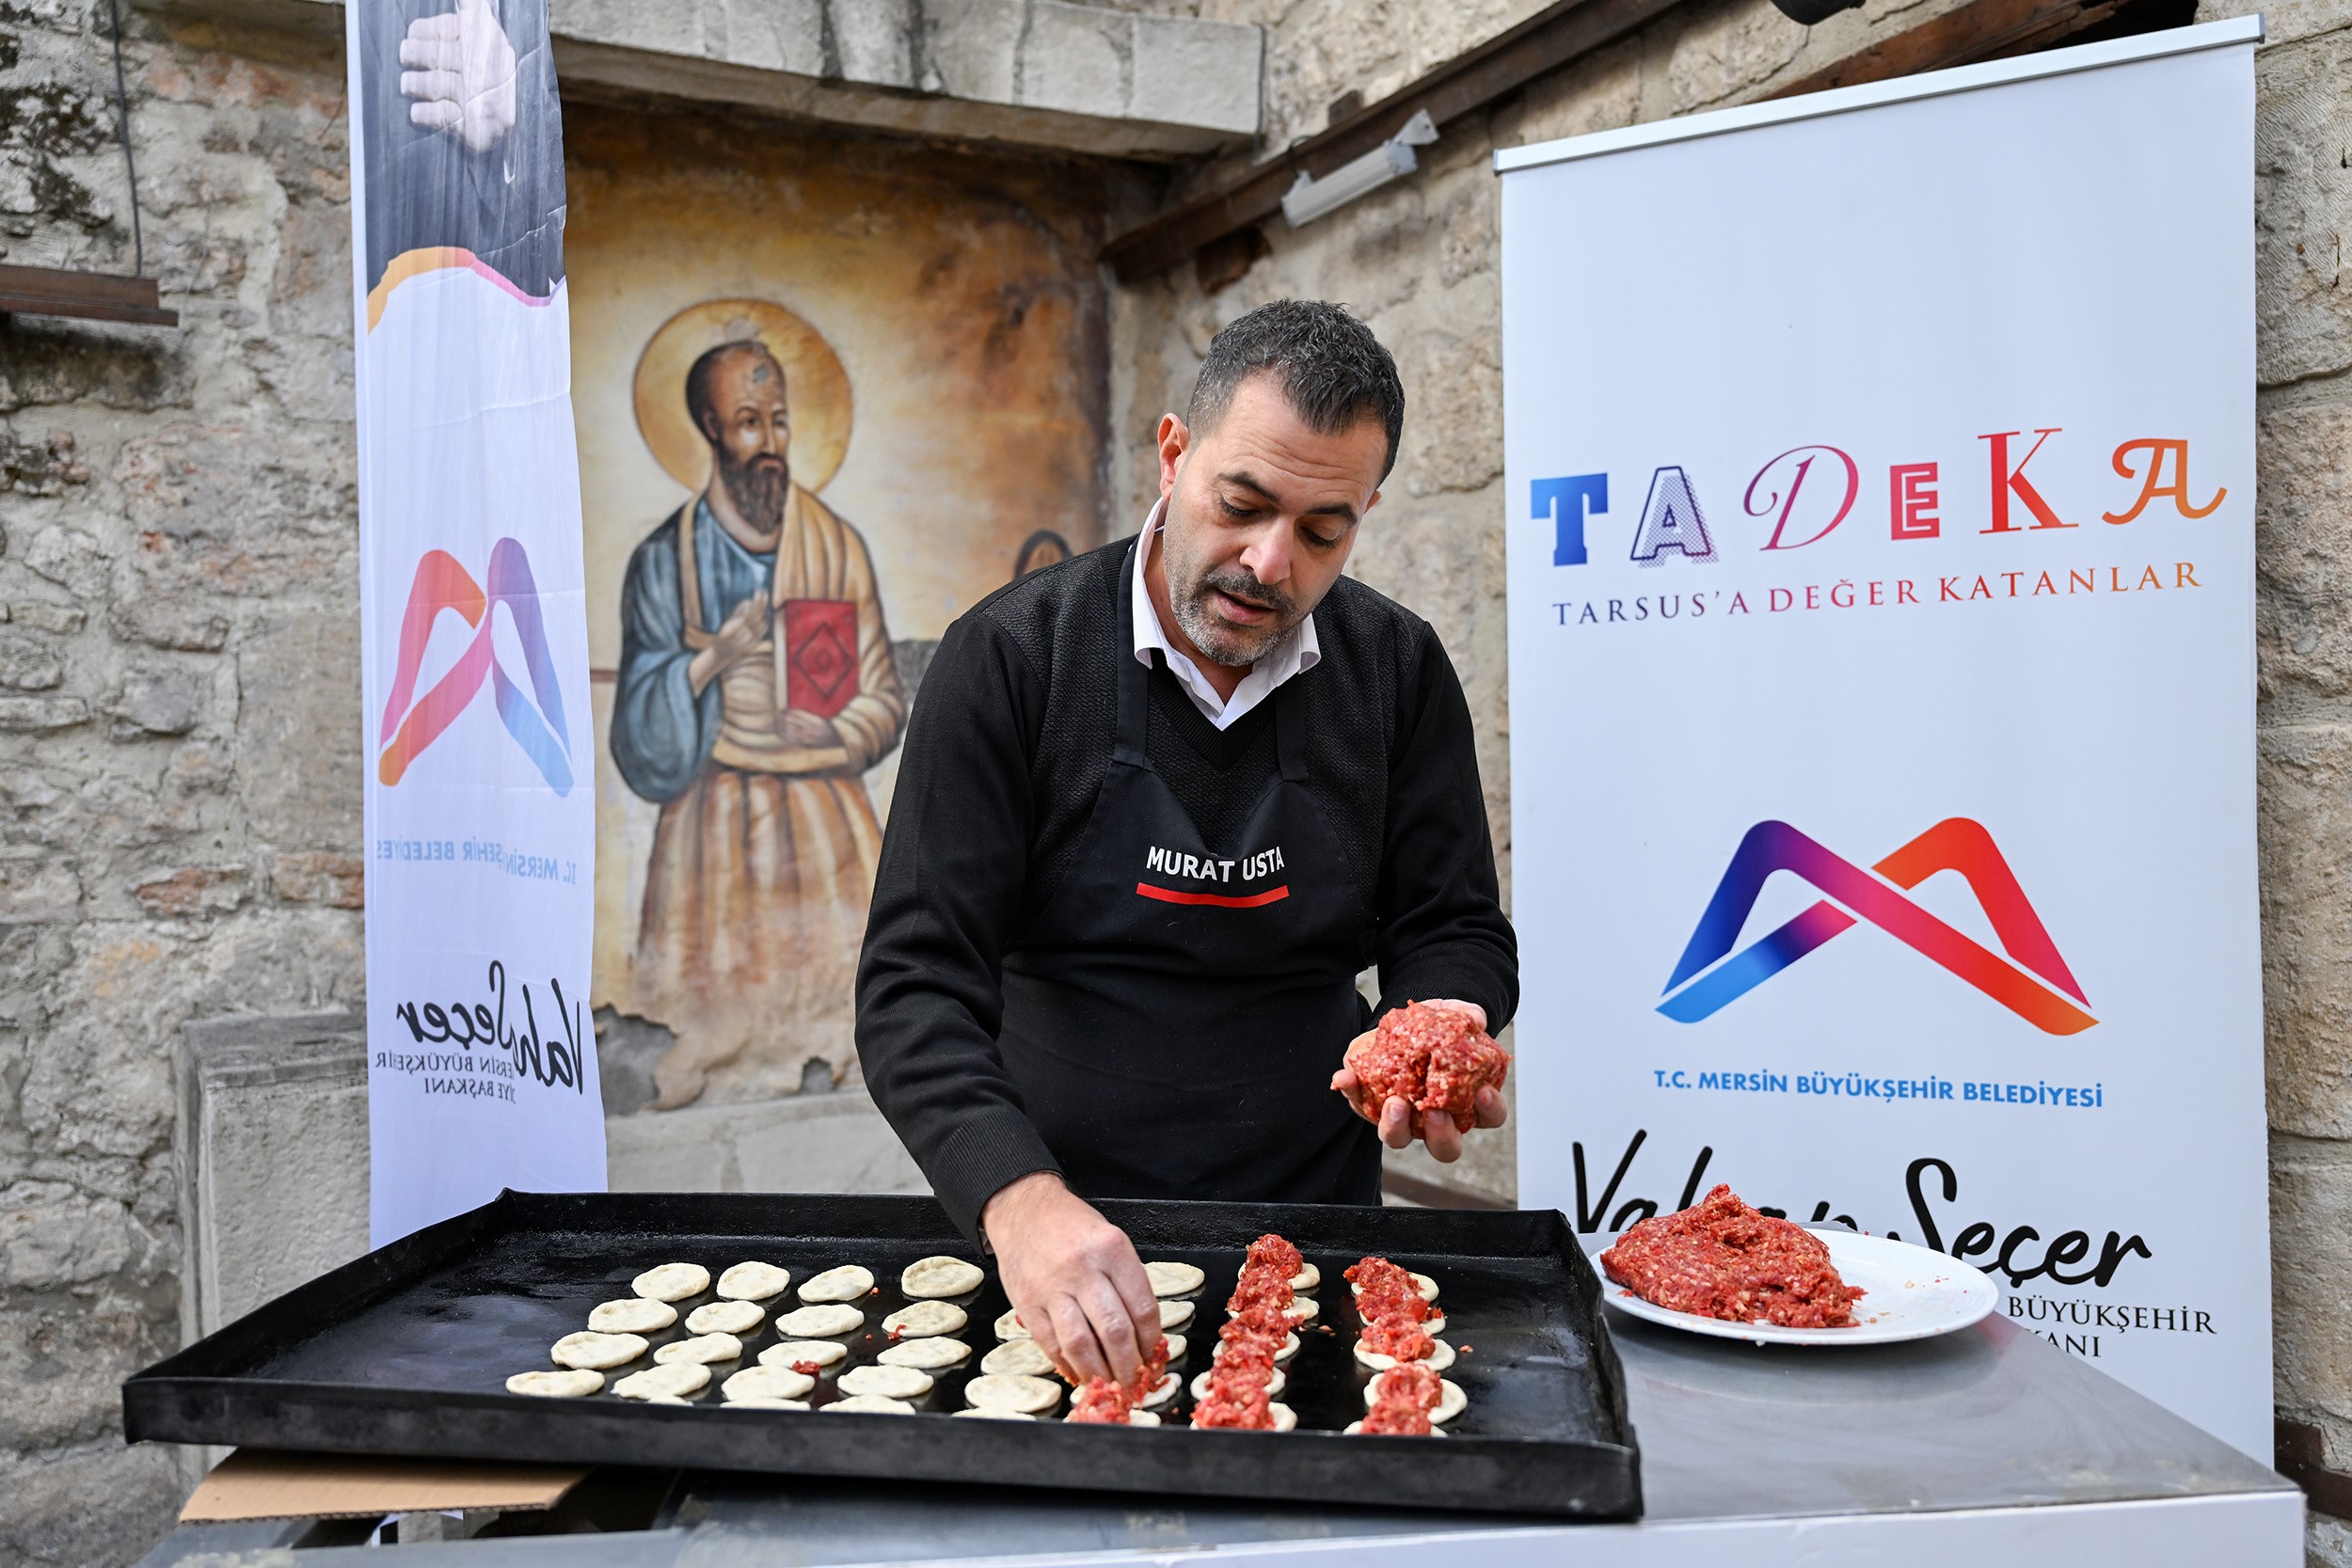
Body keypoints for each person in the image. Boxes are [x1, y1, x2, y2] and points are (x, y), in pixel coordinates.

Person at [856, 301, 1515, 1386]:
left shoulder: (1396, 670)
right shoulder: (1010, 660)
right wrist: (1015, 1199)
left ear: (1365, 511)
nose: (1268, 561)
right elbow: (913, 986)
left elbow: (1451, 922)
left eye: (1322, 531)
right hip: (1054, 1221)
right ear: (1173, 454)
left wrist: (1440, 1018)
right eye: (1241, 505)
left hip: (1314, 1224)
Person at [612, 340, 907, 1109]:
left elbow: (884, 698)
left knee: (853, 1045)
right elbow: (638, 732)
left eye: (779, 419)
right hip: (710, 839)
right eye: (749, 421)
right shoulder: (664, 560)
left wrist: (837, 733)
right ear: (710, 428)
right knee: (703, 1040)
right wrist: (714, 659)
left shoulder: (836, 546)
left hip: (828, 831)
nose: (770, 440)